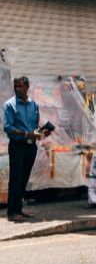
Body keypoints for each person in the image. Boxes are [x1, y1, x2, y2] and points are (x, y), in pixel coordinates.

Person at [4, 76, 44, 222]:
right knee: (15, 178)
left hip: (31, 146)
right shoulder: (10, 105)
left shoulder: (34, 105)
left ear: (27, 87)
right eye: (15, 86)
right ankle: (12, 212)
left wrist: (41, 132)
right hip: (17, 146)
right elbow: (8, 128)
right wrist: (26, 133)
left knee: (24, 178)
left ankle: (19, 209)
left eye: (20, 86)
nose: (17, 89)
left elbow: (36, 126)